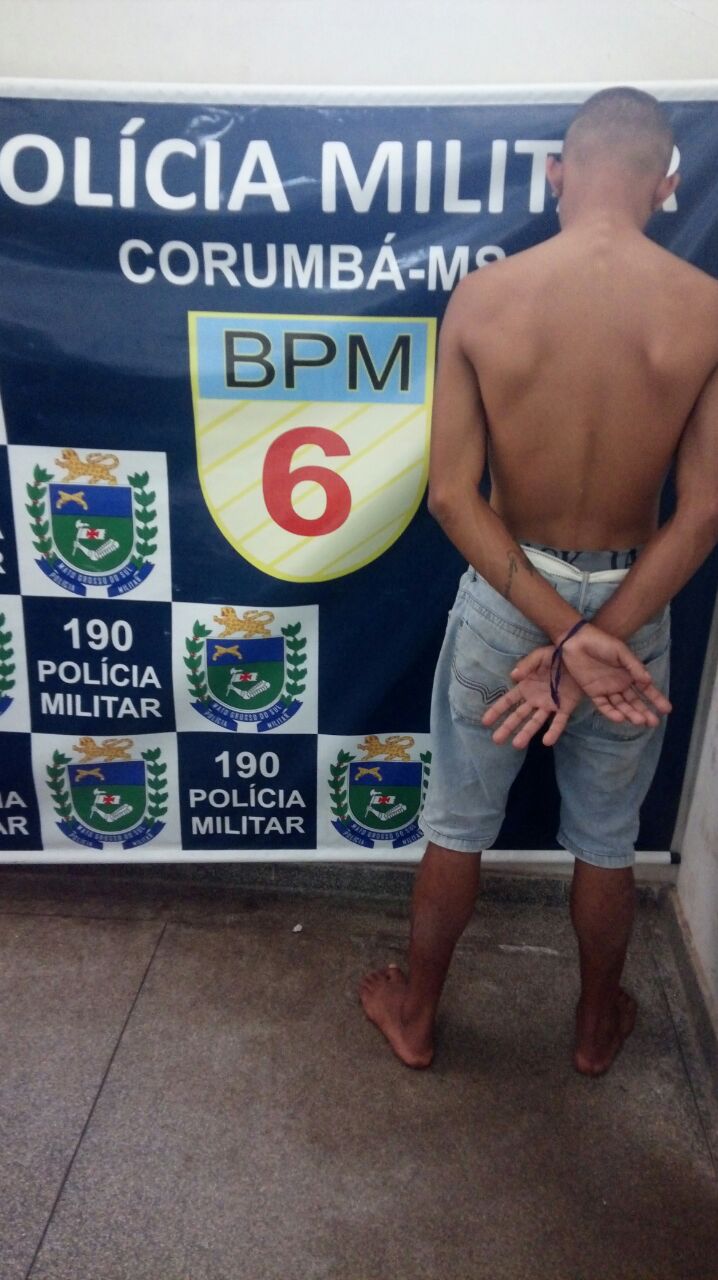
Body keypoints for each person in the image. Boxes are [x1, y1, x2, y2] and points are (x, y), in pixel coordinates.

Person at [359, 86, 718, 1077]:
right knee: (606, 841)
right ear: (666, 184)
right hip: (634, 608)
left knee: (456, 823)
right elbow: (702, 513)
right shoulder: (706, 310)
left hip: (509, 599)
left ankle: (417, 1015)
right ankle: (596, 1028)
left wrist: (563, 636)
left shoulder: (484, 298)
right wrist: (598, 639)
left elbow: (449, 495)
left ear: (556, 173)